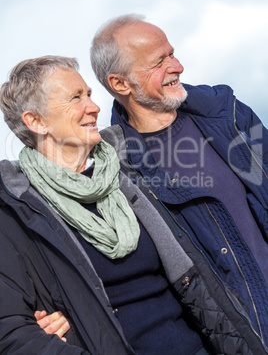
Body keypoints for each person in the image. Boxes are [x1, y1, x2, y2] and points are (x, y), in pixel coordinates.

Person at [0, 56, 265, 355]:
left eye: (88, 93)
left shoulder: (129, 172)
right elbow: (12, 333)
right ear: (35, 121)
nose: (94, 106)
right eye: (76, 97)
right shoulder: (14, 210)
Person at [90, 15, 268, 348]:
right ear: (121, 84)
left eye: (171, 53)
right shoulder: (115, 172)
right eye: (159, 62)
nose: (179, 66)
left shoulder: (228, 113)